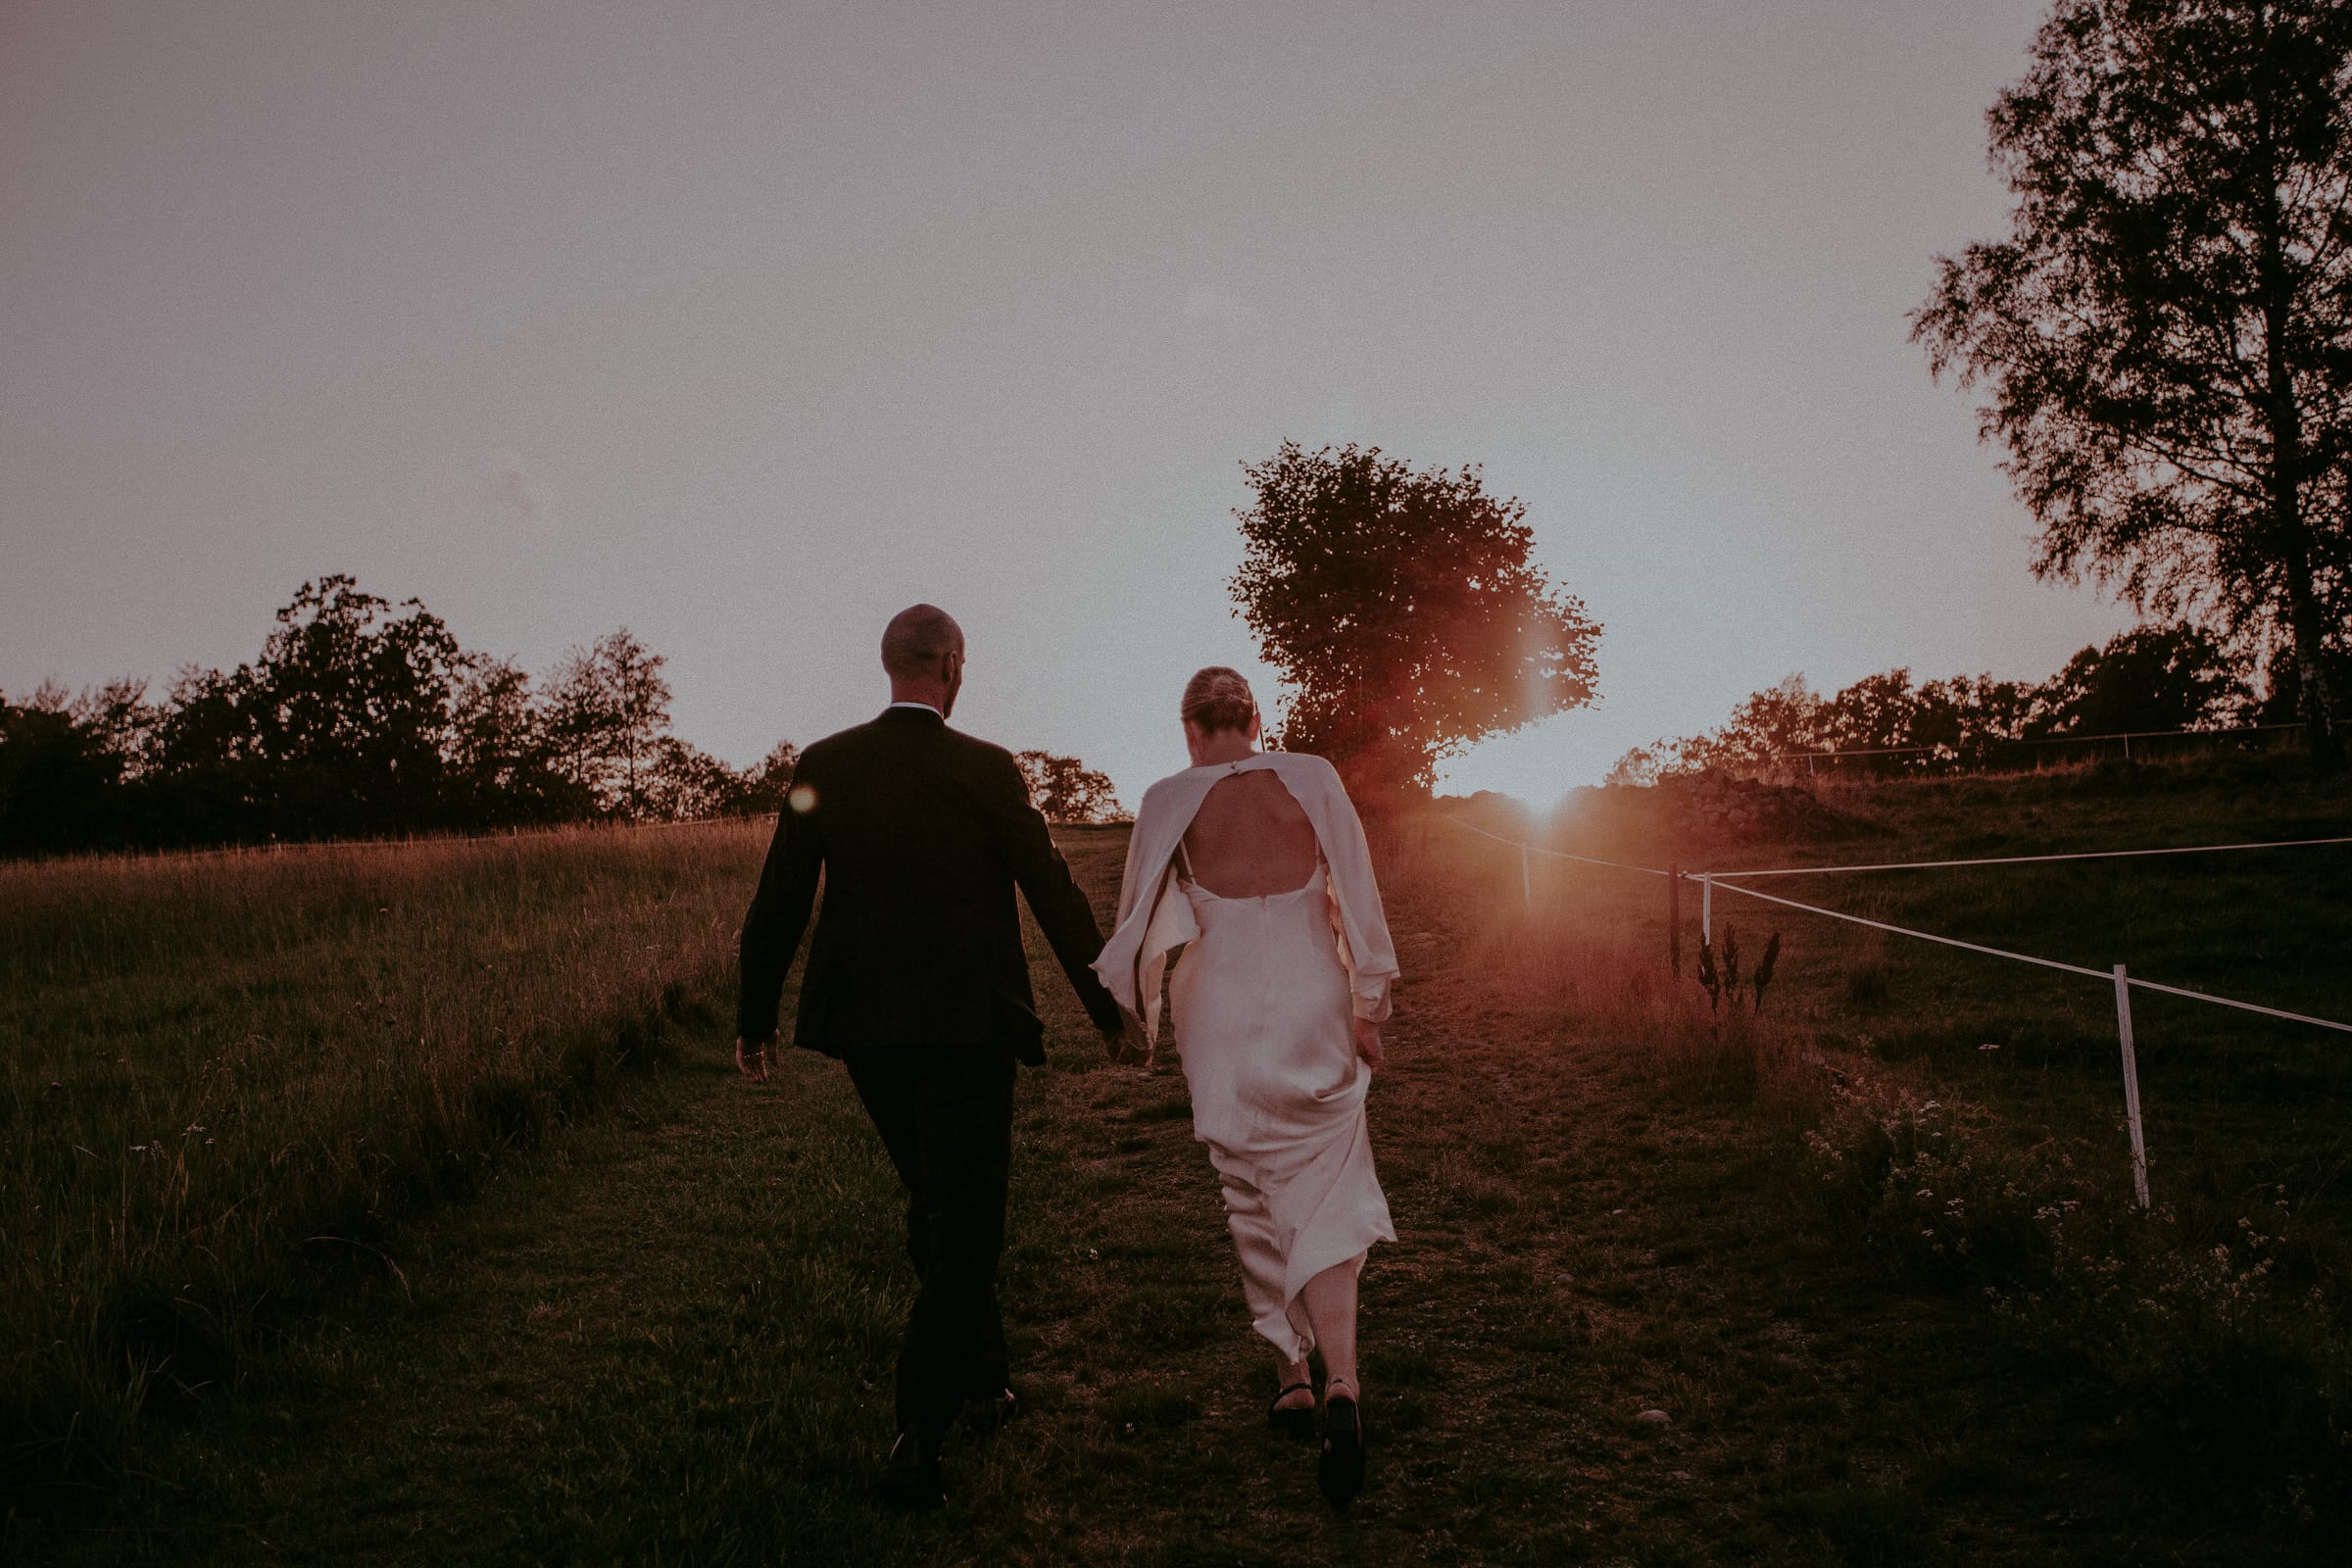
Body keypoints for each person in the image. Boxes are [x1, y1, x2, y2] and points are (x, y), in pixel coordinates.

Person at [735, 604, 1136, 1512]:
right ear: (951, 665)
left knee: (936, 1204)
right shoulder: (987, 768)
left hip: (867, 1031)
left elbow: (780, 898)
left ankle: (986, 1378)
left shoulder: (825, 764)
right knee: (965, 1222)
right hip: (966, 1027)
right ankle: (919, 1429)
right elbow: (1052, 891)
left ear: (891, 665)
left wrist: (755, 1018)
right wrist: (1109, 1012)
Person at [1091, 666, 1399, 1509]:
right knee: (1326, 1183)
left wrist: (1139, 1021)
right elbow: (1359, 893)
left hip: (1219, 1005)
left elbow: (1134, 920)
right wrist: (1367, 1005)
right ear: (1255, 721)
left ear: (1191, 729)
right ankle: (1344, 1382)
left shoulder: (1167, 799)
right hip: (1312, 996)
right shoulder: (1312, 776)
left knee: (1248, 1182)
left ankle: (1291, 1377)